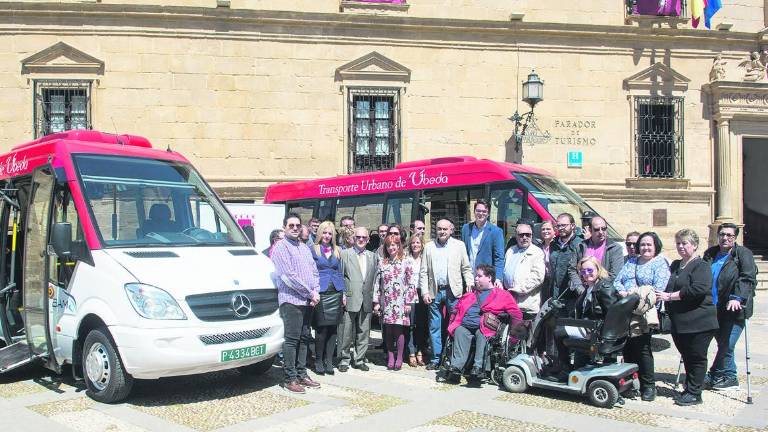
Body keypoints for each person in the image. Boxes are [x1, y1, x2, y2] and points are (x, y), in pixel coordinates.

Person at [659, 229, 717, 406]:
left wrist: (671, 296)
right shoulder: (676, 265)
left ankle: (695, 393)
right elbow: (666, 284)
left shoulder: (702, 265)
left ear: (695, 245)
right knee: (687, 356)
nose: (681, 246)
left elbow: (699, 289)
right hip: (680, 322)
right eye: (678, 243)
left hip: (699, 322)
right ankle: (689, 388)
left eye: (685, 243)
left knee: (696, 357)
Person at [614, 231, 670, 402]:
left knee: (643, 349)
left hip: (644, 312)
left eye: (649, 244)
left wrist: (635, 293)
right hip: (626, 310)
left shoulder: (660, 263)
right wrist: (624, 292)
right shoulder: (631, 261)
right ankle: (630, 383)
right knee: (628, 348)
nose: (645, 247)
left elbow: (658, 288)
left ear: (655, 246)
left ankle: (648, 386)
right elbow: (618, 281)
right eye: (643, 244)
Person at [270, 213, 321, 394]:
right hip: (291, 301)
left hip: (308, 301)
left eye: (297, 225)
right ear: (284, 227)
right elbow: (289, 277)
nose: (294, 228)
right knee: (291, 340)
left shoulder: (304, 247)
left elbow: (314, 271)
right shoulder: (280, 248)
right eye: (291, 225)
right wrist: (310, 292)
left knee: (305, 338)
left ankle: (301, 373)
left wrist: (316, 291)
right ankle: (290, 378)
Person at [703, 223, 757, 390]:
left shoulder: (742, 254)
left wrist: (737, 297)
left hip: (734, 308)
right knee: (724, 345)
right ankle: (729, 375)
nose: (725, 238)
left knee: (727, 343)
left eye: (729, 235)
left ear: (735, 238)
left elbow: (747, 277)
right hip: (713, 308)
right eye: (722, 234)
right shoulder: (710, 253)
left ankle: (713, 373)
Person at [447, 264, 522, 380]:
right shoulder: (469, 294)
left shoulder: (503, 295)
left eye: (479, 276)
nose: (476, 279)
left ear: (489, 278)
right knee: (459, 331)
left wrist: (513, 337)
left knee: (481, 333)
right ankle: (456, 367)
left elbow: (516, 314)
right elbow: (456, 310)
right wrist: (452, 324)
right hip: (465, 325)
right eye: (476, 276)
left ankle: (478, 367)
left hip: (485, 327)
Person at [551, 256, 618, 380]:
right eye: (583, 271)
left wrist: (602, 335)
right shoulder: (589, 287)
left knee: (558, 332)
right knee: (559, 326)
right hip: (588, 326)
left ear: (598, 269)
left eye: (590, 270)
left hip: (595, 330)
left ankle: (565, 369)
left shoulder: (604, 288)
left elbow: (612, 316)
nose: (586, 274)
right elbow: (582, 310)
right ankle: (573, 365)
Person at [419, 218, 474, 370]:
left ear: (451, 230)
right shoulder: (429, 247)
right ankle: (436, 358)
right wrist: (424, 292)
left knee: (455, 325)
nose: (442, 231)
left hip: (453, 291)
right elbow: (423, 272)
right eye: (439, 229)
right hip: (434, 291)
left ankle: (452, 358)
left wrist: (469, 282)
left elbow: (466, 268)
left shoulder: (459, 246)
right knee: (434, 326)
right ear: (436, 230)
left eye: (445, 229)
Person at [373, 235, 418, 371]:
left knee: (398, 330)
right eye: (388, 245)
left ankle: (399, 358)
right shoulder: (382, 263)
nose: (391, 248)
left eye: (394, 245)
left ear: (399, 246)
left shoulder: (406, 261)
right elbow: (377, 283)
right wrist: (376, 301)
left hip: (400, 301)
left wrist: (408, 302)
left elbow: (411, 283)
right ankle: (390, 356)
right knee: (388, 330)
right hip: (386, 301)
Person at [338, 227, 378, 372]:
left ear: (368, 240)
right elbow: (340, 276)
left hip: (366, 298)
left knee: (364, 331)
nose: (361, 240)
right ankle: (344, 359)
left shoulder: (372, 256)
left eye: (364, 237)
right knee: (346, 331)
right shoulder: (345, 254)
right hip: (349, 298)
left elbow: (374, 279)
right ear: (353, 238)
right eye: (358, 237)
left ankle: (359, 359)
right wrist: (343, 294)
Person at [310, 221, 346, 376]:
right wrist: (313, 291)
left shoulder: (338, 250)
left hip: (336, 292)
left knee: (333, 329)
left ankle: (329, 361)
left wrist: (343, 293)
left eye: (330, 233)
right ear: (320, 234)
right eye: (324, 232)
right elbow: (310, 271)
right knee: (321, 329)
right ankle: (318, 360)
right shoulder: (313, 249)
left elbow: (340, 272)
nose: (327, 236)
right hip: (321, 292)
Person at [569, 216, 624, 293]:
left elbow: (614, 275)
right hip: (582, 293)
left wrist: (594, 291)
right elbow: (572, 269)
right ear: (590, 230)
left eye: (604, 228)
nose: (601, 232)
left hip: (603, 294)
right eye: (597, 229)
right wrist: (580, 289)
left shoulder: (615, 248)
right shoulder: (580, 246)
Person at [502, 221, 546, 318]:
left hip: (526, 305)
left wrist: (518, 290)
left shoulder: (537, 252)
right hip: (509, 302)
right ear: (516, 236)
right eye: (521, 235)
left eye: (528, 235)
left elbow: (537, 277)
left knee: (524, 332)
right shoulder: (510, 251)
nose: (525, 237)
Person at [460, 199, 505, 279]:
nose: (481, 214)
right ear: (474, 212)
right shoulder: (466, 229)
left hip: (485, 279)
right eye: (478, 211)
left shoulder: (496, 232)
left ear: (488, 214)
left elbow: (499, 258)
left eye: (484, 211)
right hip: (468, 279)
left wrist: (498, 278)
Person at [550, 213, 582, 311]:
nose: (561, 228)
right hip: (555, 295)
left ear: (573, 226)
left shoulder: (580, 244)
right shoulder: (554, 244)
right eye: (558, 225)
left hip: (572, 296)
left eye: (564, 225)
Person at [406, 234, 429, 367]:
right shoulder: (406, 259)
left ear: (422, 245)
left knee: (421, 324)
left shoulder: (424, 259)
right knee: (410, 325)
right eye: (413, 243)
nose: (415, 245)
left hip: (422, 292)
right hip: (410, 293)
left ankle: (420, 350)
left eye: (418, 243)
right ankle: (411, 352)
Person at [537, 220, 556, 302]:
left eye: (548, 229)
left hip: (554, 282)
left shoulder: (558, 246)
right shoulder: (538, 247)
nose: (545, 231)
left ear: (554, 231)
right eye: (543, 229)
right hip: (543, 282)